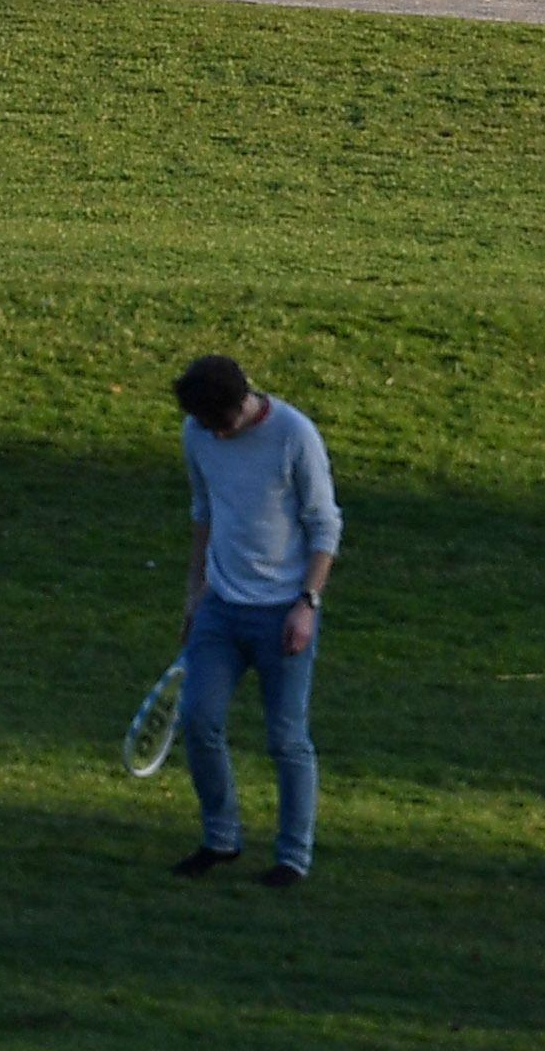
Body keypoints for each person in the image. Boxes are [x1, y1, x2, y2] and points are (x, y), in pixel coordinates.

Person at [169, 351, 339, 885]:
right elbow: (204, 511)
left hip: (283, 612)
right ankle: (220, 839)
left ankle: (293, 857)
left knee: (286, 739)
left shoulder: (294, 435)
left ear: (241, 403)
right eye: (203, 425)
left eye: (218, 424)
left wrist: (306, 605)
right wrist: (195, 592)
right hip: (221, 607)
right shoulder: (196, 434)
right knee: (198, 720)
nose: (213, 437)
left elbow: (325, 527)